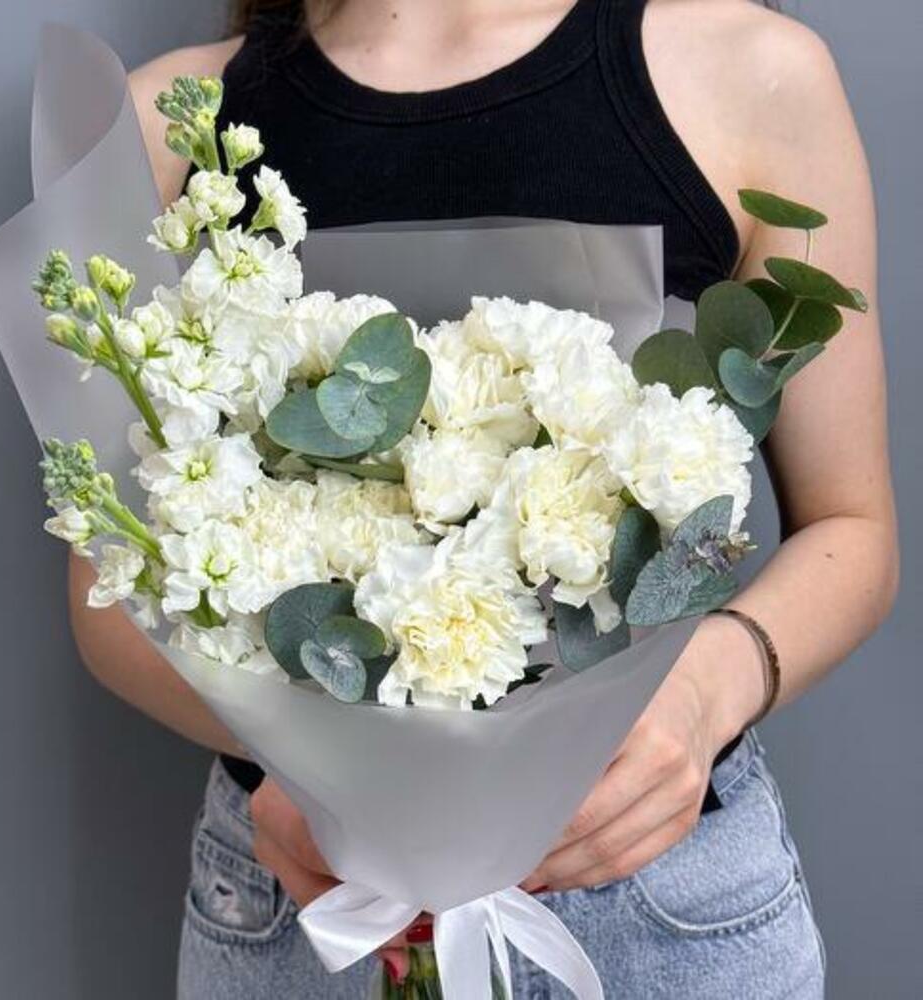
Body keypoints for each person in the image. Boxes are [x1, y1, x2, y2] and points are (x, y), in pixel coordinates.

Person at [69, 1, 898, 996]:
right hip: (316, 898)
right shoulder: (169, 121)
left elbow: (853, 528)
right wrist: (317, 772)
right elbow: (107, 591)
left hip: (652, 887)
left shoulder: (750, 73)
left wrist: (703, 692)